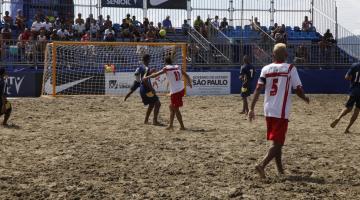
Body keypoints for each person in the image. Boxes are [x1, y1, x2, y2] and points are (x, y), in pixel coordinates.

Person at [248, 43, 310, 179]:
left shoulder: (266, 69)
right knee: (279, 143)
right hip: (281, 110)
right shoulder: (290, 68)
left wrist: (251, 108)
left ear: (272, 54)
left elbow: (258, 89)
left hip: (268, 109)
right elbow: (298, 89)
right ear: (287, 55)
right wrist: (305, 98)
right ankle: (262, 165)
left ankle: (280, 170)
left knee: (276, 142)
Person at [144, 56, 192, 130]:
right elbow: (186, 75)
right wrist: (189, 83)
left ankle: (182, 126)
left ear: (165, 62)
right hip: (181, 89)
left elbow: (155, 75)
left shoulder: (166, 68)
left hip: (176, 91)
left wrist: (147, 77)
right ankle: (171, 125)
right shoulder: (177, 66)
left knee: (175, 109)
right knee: (171, 107)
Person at [124, 54, 162, 125]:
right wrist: (152, 89)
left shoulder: (141, 67)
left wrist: (150, 72)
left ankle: (146, 120)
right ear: (148, 59)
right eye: (150, 59)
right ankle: (154, 121)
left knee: (152, 104)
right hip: (146, 89)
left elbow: (141, 76)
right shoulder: (147, 68)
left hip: (142, 88)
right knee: (158, 103)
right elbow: (144, 80)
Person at [330, 63, 360, 133]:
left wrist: (352, 80)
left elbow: (346, 77)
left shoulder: (355, 65)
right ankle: (347, 129)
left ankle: (338, 117)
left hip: (354, 90)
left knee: (348, 108)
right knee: (357, 110)